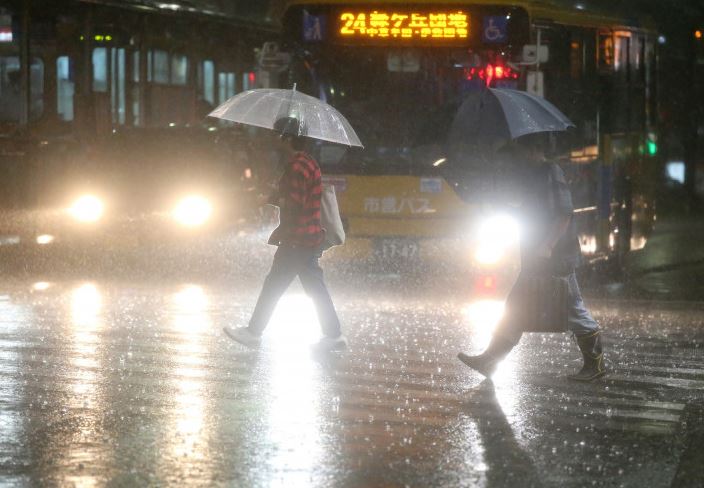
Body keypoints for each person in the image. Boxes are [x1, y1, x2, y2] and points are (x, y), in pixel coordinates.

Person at [458, 135, 605, 382]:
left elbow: (563, 214)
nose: (519, 157)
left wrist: (547, 245)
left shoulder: (551, 172)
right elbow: (533, 211)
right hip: (536, 256)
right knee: (515, 307)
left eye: (522, 151)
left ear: (535, 150)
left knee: (571, 309)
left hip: (555, 257)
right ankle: (490, 360)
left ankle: (595, 364)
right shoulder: (533, 175)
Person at [223, 116, 347, 352]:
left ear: (287, 138)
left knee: (274, 286)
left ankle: (253, 332)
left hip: (297, 238)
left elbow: (295, 203)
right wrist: (272, 196)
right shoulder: (308, 162)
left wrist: (273, 199)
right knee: (313, 287)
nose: (273, 138)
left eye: (276, 134)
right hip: (307, 237)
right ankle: (333, 334)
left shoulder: (296, 166)